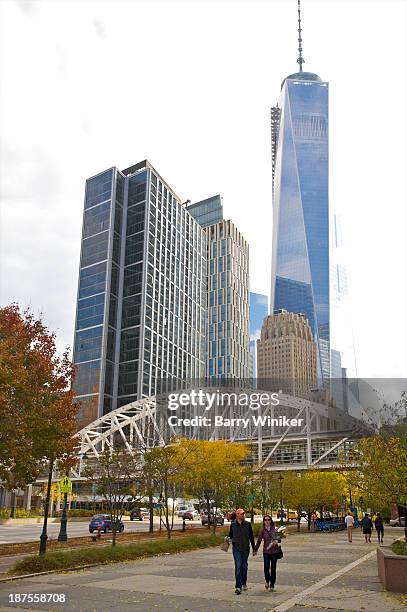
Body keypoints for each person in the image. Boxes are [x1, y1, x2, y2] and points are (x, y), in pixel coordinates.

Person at [228, 508, 256, 594]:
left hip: (245, 549)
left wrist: (254, 549)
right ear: (237, 515)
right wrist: (227, 539)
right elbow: (230, 536)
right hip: (237, 549)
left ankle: (244, 582)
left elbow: (251, 537)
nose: (242, 515)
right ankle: (238, 586)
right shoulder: (233, 525)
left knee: (244, 566)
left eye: (243, 514)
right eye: (240, 514)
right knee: (238, 566)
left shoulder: (247, 525)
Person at [255, 515, 280, 591]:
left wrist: (277, 541)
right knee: (266, 567)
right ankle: (267, 580)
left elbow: (280, 538)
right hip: (266, 551)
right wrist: (255, 549)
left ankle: (272, 585)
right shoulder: (262, 530)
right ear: (263, 521)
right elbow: (259, 540)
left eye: (268, 520)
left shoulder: (275, 529)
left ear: (271, 521)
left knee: (273, 568)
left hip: (274, 551)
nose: (267, 521)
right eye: (265, 520)